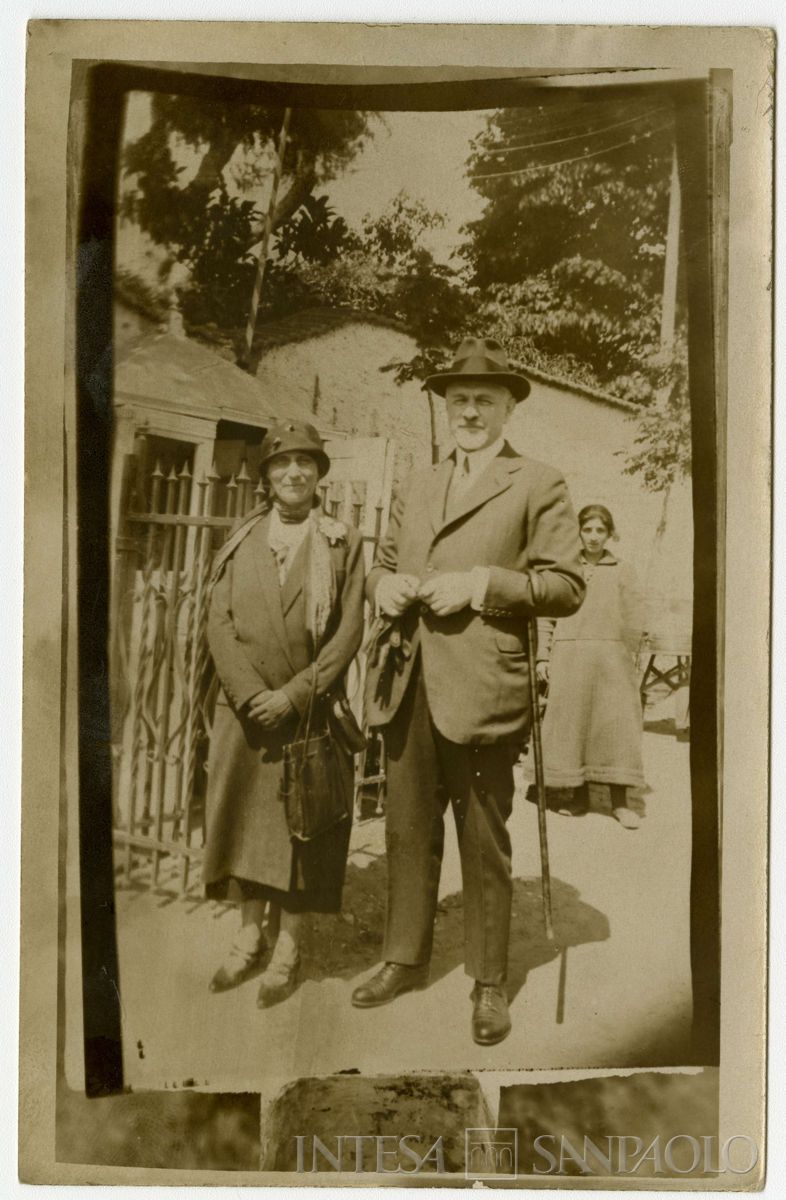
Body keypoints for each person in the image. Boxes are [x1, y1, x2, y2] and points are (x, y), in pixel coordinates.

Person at [353, 336, 585, 1046]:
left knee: (483, 838)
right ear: (444, 406)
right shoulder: (420, 482)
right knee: (406, 828)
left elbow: (567, 586)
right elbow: (386, 563)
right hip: (408, 681)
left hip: (483, 687)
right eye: (458, 400)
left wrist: (482, 585)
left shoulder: (537, 482)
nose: (470, 412)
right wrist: (382, 584)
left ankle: (489, 981)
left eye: (484, 400)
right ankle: (403, 954)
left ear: (508, 407)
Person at [203, 421, 365, 1007]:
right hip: (244, 716)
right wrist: (251, 696)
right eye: (281, 464)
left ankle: (289, 948)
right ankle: (248, 941)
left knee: (305, 836)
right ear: (266, 476)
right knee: (245, 830)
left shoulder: (342, 543)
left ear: (321, 473)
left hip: (306, 716)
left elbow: (349, 631)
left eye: (306, 463)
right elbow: (217, 621)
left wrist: (294, 696)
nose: (293, 473)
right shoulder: (240, 537)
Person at [532, 504, 646, 829]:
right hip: (569, 657)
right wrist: (543, 656)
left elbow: (634, 615)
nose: (593, 537)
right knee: (574, 724)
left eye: (600, 531)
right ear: (578, 532)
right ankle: (578, 796)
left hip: (612, 658)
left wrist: (630, 655)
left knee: (615, 726)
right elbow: (547, 615)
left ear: (610, 533)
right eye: (588, 530)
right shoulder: (565, 570)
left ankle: (621, 802)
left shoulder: (623, 569)